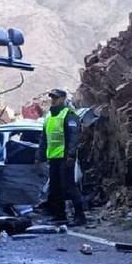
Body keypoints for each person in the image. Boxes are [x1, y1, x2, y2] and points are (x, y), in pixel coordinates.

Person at [40, 88, 88, 227]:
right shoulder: (49, 116)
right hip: (53, 158)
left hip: (65, 157)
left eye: (56, 98)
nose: (53, 100)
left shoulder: (69, 115)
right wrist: (40, 155)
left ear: (63, 99)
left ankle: (80, 216)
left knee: (69, 187)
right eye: (52, 98)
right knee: (55, 188)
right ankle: (59, 216)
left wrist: (71, 155)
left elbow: (74, 137)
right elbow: (44, 138)